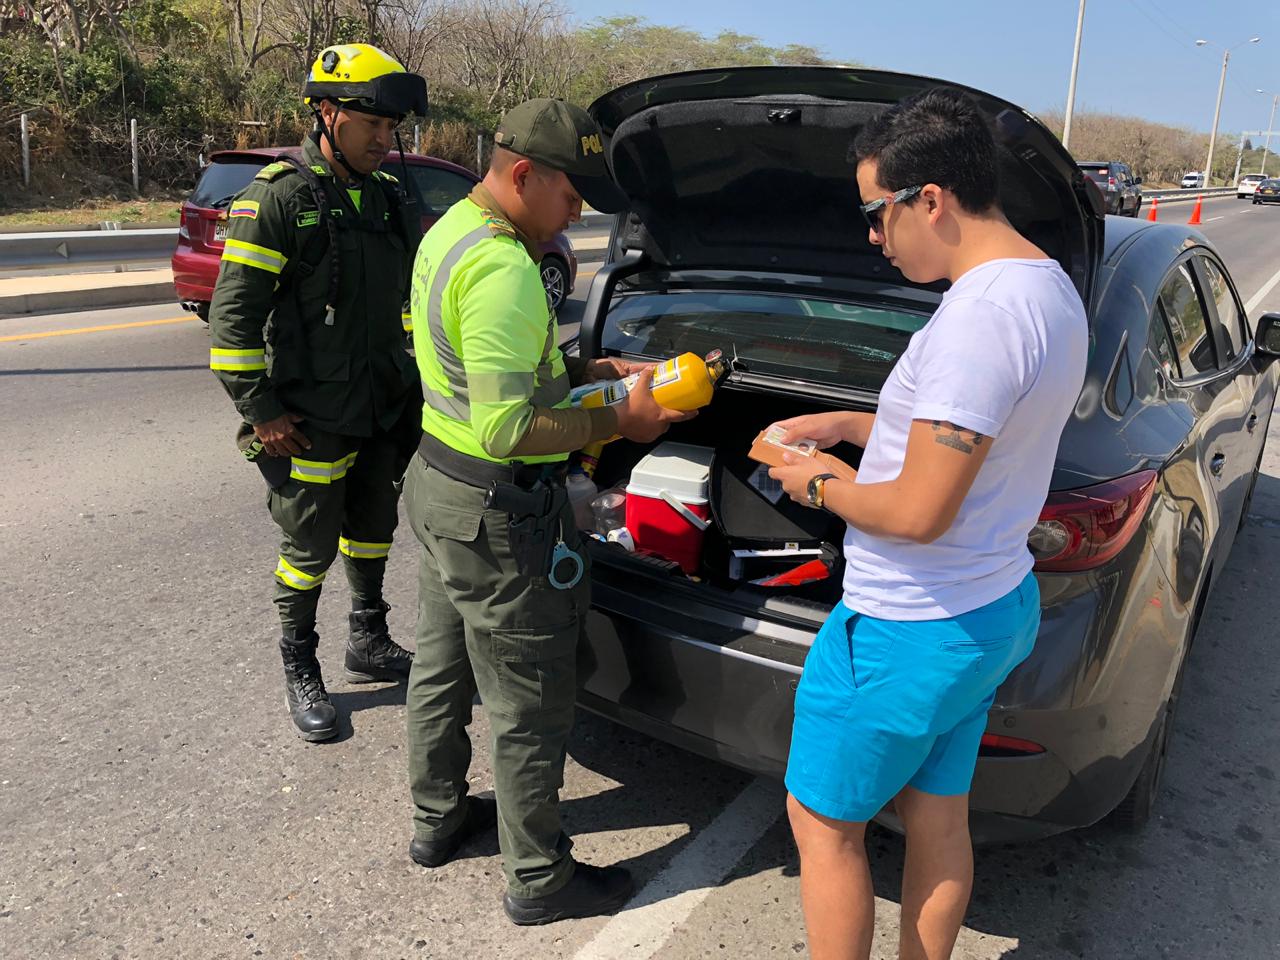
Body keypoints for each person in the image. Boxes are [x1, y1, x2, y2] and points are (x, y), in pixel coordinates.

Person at [768, 88, 1088, 960]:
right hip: (989, 610)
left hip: (908, 627)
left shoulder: (979, 318)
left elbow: (916, 508)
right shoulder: (1044, 287)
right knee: (937, 814)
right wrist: (847, 427)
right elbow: (970, 441)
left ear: (931, 200)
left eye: (877, 214)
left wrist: (819, 483)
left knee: (822, 823)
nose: (873, 237)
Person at [402, 98, 690, 924]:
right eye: (571, 198)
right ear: (523, 175)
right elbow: (510, 426)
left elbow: (480, 371)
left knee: (443, 664)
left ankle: (437, 820)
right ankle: (539, 878)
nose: (577, 217)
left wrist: (582, 365)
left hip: (439, 487)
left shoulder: (451, 229)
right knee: (529, 700)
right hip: (496, 513)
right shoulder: (505, 270)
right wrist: (619, 417)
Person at [208, 43, 428, 742]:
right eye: (374, 125)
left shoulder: (388, 198)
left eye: (392, 128)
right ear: (328, 112)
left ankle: (369, 638)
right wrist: (261, 411)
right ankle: (299, 664)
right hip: (308, 418)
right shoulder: (280, 196)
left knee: (372, 531)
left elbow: (408, 305)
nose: (385, 139)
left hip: (380, 408)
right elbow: (231, 322)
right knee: (308, 548)